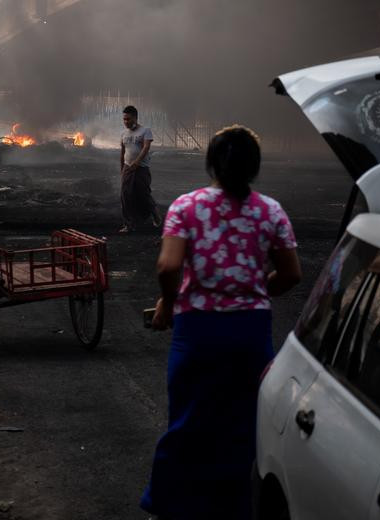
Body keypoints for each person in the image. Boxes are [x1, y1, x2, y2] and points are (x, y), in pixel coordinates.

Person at [141, 125, 302, 520]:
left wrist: (169, 301)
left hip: (198, 331)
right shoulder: (270, 211)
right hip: (250, 332)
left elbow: (168, 264)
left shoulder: (186, 206)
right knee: (243, 423)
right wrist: (255, 288)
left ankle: (171, 505)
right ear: (254, 166)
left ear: (211, 162)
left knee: (187, 418)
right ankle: (232, 507)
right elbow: (292, 275)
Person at [119, 105, 161, 233]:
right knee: (125, 195)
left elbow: (146, 147)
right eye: (124, 119)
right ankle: (129, 224)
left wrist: (137, 162)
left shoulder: (145, 131)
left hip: (141, 168)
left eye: (129, 119)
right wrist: (122, 169)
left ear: (135, 118)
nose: (126, 122)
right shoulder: (123, 134)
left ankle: (155, 214)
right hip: (128, 167)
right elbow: (122, 152)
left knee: (143, 194)